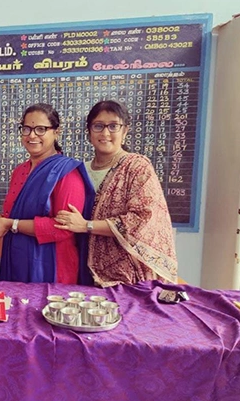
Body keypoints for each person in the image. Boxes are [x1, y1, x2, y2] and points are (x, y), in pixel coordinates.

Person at [54, 100, 178, 286]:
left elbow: (142, 220)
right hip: (82, 267)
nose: (105, 133)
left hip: (129, 275)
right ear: (89, 133)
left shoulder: (137, 167)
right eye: (98, 126)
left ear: (125, 131)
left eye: (113, 126)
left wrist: (87, 225)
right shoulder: (78, 170)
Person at [0, 104, 94, 284]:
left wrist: (11, 224)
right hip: (17, 258)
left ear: (56, 132)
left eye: (40, 129)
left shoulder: (67, 173)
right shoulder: (19, 171)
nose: (32, 135)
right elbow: (18, 215)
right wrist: (0, 219)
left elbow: (63, 228)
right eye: (26, 129)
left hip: (52, 265)